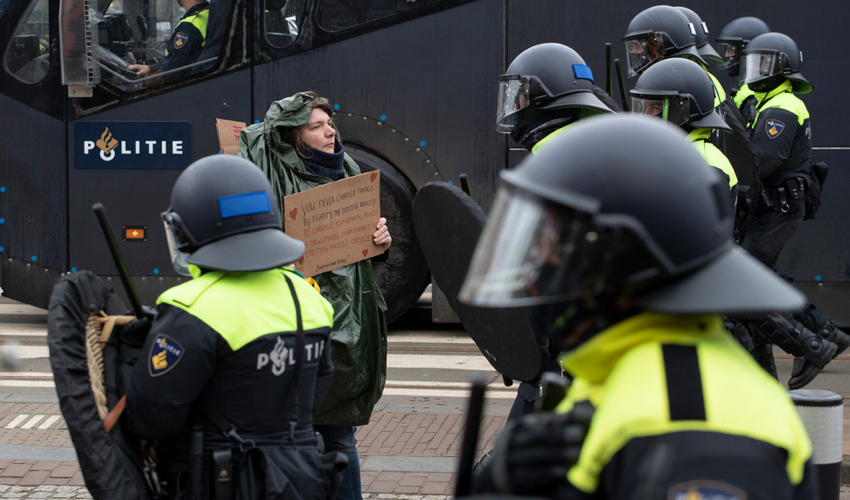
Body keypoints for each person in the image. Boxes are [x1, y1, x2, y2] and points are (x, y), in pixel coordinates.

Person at [460, 115, 817, 499]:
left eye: (550, 246)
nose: (534, 274)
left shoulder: (696, 423)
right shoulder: (619, 372)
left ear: (614, 261)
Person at [124, 154, 343, 499]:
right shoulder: (308, 296)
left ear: (186, 229)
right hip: (299, 478)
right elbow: (314, 394)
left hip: (219, 481)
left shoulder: (192, 306)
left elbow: (151, 417)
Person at [239, 91, 391, 500]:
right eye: (316, 126)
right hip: (294, 319)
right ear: (293, 137)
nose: (329, 132)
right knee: (293, 440)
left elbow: (362, 251)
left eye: (330, 124)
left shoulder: (348, 168)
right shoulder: (271, 173)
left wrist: (380, 238)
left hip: (346, 321)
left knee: (340, 438)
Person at [493, 42, 616, 418]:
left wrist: (529, 352)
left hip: (569, 347)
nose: (515, 106)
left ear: (543, 99)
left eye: (521, 95)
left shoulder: (548, 167)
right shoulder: (599, 147)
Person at [738, 32, 849, 380]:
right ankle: (825, 333)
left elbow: (766, 160)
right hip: (773, 207)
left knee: (751, 277)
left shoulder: (783, 106)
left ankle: (812, 345)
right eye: (752, 63)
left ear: (783, 68)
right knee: (764, 276)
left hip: (779, 208)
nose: (755, 71)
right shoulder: (766, 98)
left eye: (763, 64)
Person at [630, 58, 738, 209]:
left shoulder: (708, 166)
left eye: (655, 108)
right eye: (644, 107)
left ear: (683, 110)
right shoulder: (672, 151)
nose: (645, 116)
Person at [496, 43, 618, 154]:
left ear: (540, 95)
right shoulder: (605, 140)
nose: (514, 108)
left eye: (519, 96)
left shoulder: (551, 154)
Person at [128, 0, 209, 78]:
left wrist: (147, 82)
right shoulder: (209, 15)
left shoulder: (189, 25)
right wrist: (149, 69)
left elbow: (173, 70)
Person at [716, 16, 771, 123]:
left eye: (731, 50)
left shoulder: (752, 96)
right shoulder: (748, 90)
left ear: (747, 51)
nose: (727, 54)